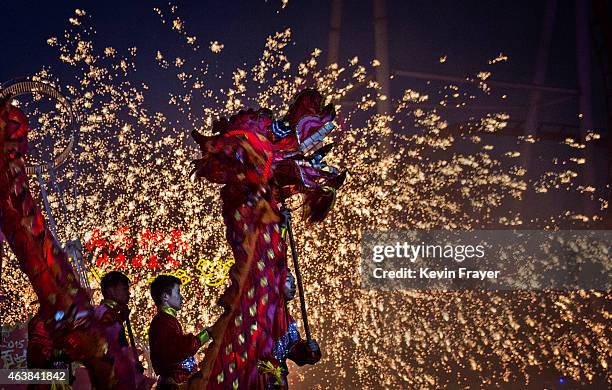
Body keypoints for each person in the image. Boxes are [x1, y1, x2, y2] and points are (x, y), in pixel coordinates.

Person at [258, 270, 322, 389]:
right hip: (257, 380)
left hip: (278, 382)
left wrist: (308, 348)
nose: (293, 285)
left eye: (294, 282)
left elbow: (294, 349)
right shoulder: (258, 314)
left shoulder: (288, 321)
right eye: (288, 281)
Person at [148, 275, 212, 389]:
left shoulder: (168, 320)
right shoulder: (163, 322)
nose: (182, 297)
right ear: (165, 296)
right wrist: (206, 335)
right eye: (177, 292)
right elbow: (180, 348)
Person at [95, 271, 150, 389]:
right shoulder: (107, 315)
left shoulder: (112, 313)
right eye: (125, 289)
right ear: (110, 290)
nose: (129, 294)